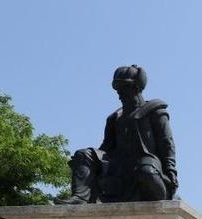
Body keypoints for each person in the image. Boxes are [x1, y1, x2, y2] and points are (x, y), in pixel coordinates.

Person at [57, 65, 178, 204]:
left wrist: (171, 173)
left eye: (124, 87)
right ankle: (80, 198)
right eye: (117, 88)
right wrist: (91, 163)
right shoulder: (115, 118)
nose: (119, 93)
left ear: (136, 87)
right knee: (83, 154)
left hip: (145, 162)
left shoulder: (155, 111)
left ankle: (159, 194)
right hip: (119, 163)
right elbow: (105, 147)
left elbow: (166, 143)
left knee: (146, 171)